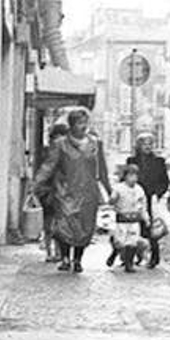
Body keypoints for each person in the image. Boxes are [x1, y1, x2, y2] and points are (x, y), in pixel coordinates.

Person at [32, 108, 110, 274]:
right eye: (79, 123)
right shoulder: (60, 144)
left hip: (88, 192)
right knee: (64, 225)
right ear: (72, 125)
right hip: (65, 190)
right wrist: (37, 183)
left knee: (85, 226)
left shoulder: (95, 144)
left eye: (85, 123)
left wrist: (109, 191)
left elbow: (102, 169)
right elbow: (49, 166)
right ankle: (65, 257)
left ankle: (78, 260)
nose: (83, 127)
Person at [125, 132, 170, 268]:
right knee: (133, 228)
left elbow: (164, 181)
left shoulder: (159, 161)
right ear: (138, 146)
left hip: (150, 199)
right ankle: (133, 257)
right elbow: (126, 178)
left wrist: (158, 194)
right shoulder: (132, 161)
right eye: (144, 144)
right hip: (134, 199)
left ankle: (154, 257)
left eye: (150, 144)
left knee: (151, 230)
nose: (148, 146)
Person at [38, 121, 70, 262]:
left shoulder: (68, 153)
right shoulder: (47, 152)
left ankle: (58, 252)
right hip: (49, 192)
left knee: (58, 224)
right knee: (49, 223)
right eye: (56, 137)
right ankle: (50, 251)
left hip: (61, 192)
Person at [108, 164, 149, 273]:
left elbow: (143, 205)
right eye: (131, 175)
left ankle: (129, 263)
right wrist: (113, 199)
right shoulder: (119, 188)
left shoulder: (139, 189)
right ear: (125, 176)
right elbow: (111, 202)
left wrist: (146, 218)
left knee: (132, 242)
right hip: (122, 219)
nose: (133, 178)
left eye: (135, 176)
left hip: (134, 219)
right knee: (121, 241)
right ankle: (115, 253)